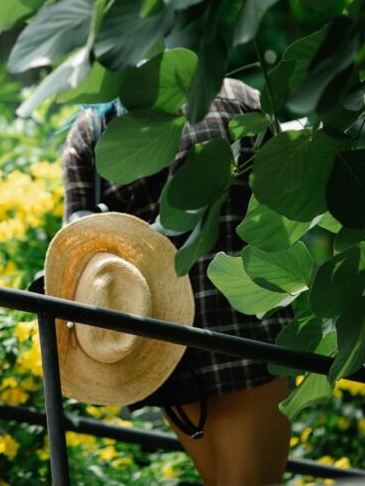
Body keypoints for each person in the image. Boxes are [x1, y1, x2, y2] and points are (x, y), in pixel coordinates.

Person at [61, 78, 292, 486]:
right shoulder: (237, 97)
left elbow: (77, 250)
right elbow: (286, 197)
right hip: (247, 326)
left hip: (162, 344)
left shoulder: (93, 130)